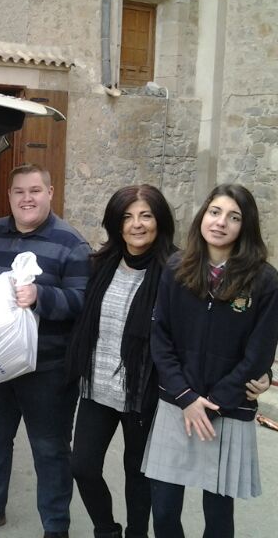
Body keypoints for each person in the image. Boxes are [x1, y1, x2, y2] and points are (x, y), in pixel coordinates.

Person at [0, 163, 92, 538]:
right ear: (10, 196)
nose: (26, 198)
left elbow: (82, 302)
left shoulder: (71, 244)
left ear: (49, 193)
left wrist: (40, 296)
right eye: (19, 191)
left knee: (50, 449)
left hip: (47, 369)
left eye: (35, 190)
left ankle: (55, 527)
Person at [142, 183, 278, 538]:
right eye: (215, 212)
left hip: (228, 409)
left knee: (218, 516)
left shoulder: (265, 280)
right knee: (165, 510)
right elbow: (161, 338)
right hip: (178, 405)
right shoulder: (176, 267)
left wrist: (215, 402)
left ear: (245, 227)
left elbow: (259, 353)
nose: (221, 222)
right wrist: (186, 397)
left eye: (234, 217)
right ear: (203, 215)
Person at [67, 185, 177, 538]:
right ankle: (106, 530)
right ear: (116, 224)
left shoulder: (176, 271)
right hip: (97, 386)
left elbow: (201, 329)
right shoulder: (101, 264)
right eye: (127, 217)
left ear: (159, 220)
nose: (137, 224)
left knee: (138, 474)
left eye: (145, 215)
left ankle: (136, 533)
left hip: (144, 392)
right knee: (82, 466)